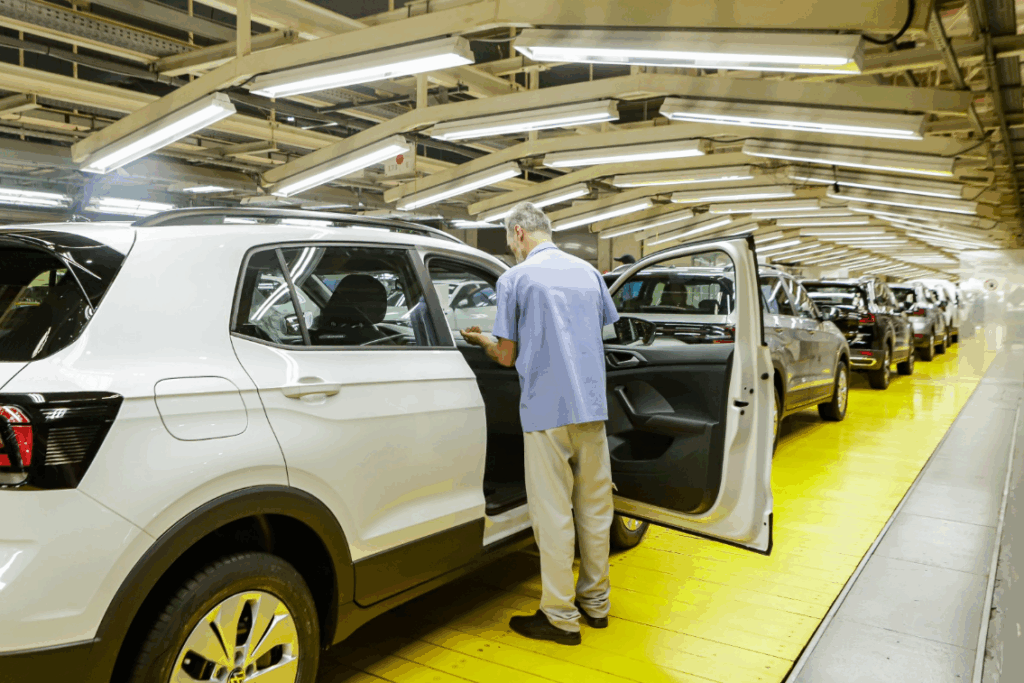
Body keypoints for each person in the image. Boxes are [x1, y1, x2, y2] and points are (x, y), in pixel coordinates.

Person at [460, 201, 620, 646]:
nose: (512, 248)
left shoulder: (515, 278)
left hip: (547, 412)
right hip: (592, 408)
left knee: (553, 516)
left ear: (518, 233)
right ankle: (596, 604)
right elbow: (599, 333)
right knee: (595, 511)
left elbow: (506, 355)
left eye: (509, 240)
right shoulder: (589, 273)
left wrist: (482, 340)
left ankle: (560, 617)